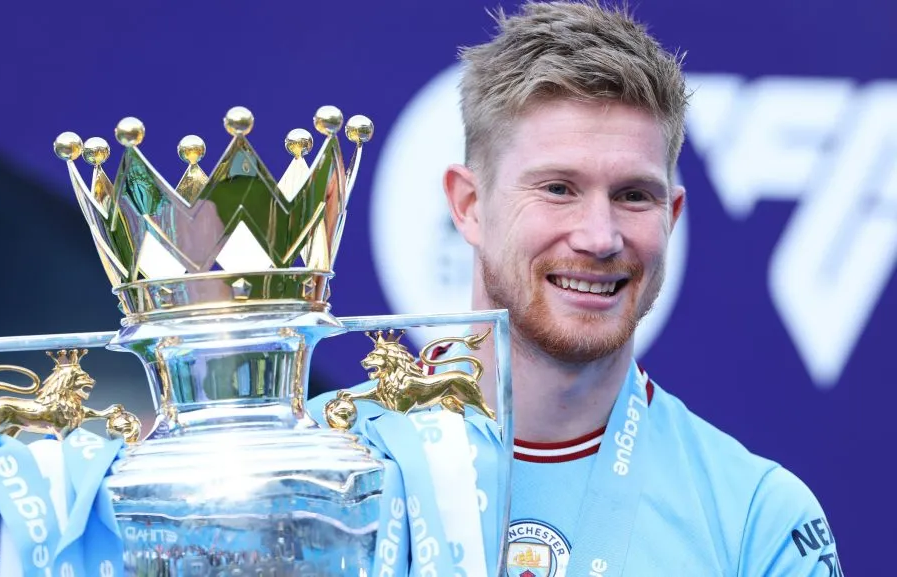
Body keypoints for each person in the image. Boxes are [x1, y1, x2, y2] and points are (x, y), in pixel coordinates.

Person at [311, 1, 842, 575]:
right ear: (469, 206)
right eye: (559, 188)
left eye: (634, 195)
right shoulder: (318, 464)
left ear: (673, 215)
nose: (599, 237)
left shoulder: (756, 519)